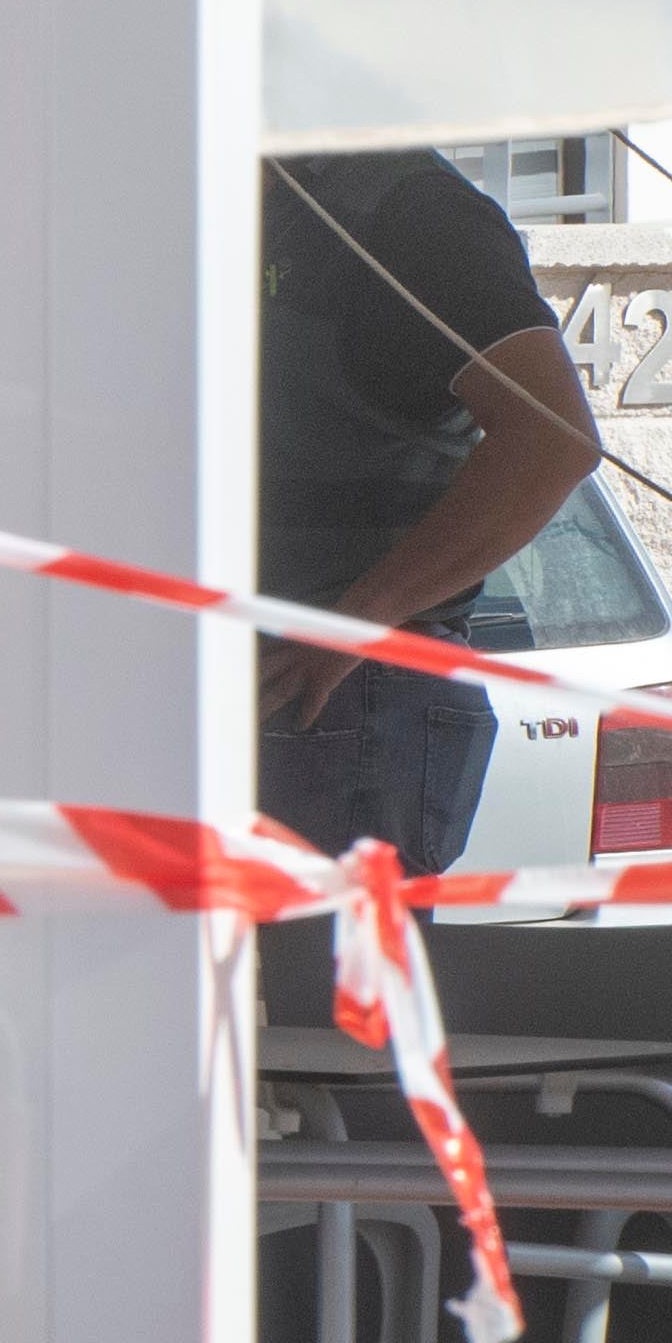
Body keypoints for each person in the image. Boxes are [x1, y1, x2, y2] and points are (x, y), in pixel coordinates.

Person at [256, 155, 602, 873]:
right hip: (210, 677)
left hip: (337, 700)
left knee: (334, 988)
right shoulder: (192, 194)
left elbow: (551, 439)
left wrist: (357, 620)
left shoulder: (407, 214)